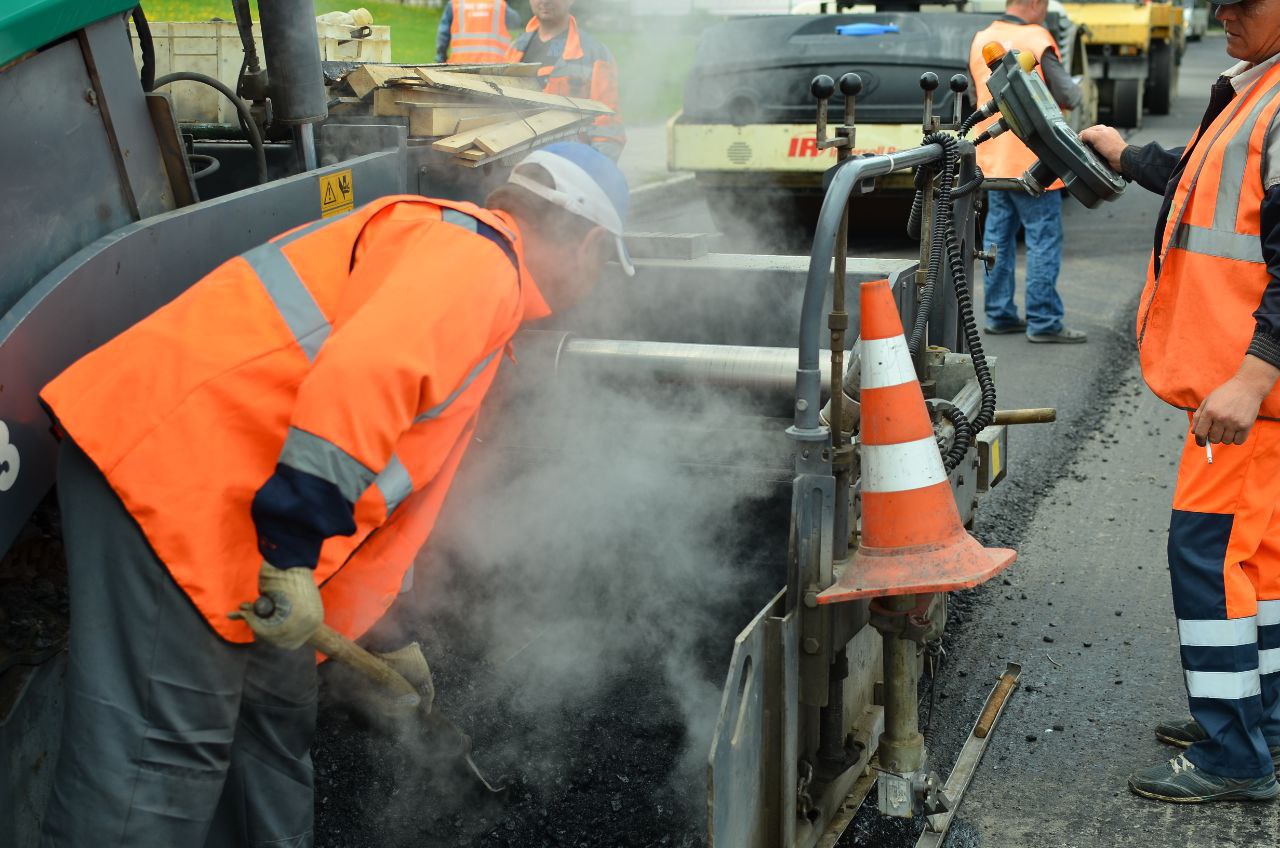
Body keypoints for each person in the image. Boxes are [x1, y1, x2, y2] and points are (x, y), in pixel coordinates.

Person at [36, 142, 633, 847]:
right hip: (177, 479)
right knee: (160, 759)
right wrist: (290, 550)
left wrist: (386, 631)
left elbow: (378, 489)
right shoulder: (479, 264)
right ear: (590, 241)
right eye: (604, 265)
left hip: (240, 500)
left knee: (272, 730)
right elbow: (362, 379)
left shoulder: (460, 265)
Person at [1080, 0, 1280, 804]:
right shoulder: (1257, 87)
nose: (1225, 14)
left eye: (1245, 2)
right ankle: (1259, 718)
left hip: (1245, 395)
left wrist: (1254, 371)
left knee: (1205, 559)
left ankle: (1234, 755)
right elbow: (1203, 186)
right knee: (1259, 569)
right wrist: (1126, 154)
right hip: (1257, 403)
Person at [968, 0, 1087, 343]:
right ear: (1034, 3)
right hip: (1036, 162)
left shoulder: (982, 37)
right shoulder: (1037, 38)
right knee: (1042, 239)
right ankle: (1044, 320)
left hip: (992, 160)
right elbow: (1070, 94)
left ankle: (1000, 313)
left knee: (997, 240)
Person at [504, 0, 625, 160]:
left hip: (572, 164)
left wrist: (596, 171)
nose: (544, 1)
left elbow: (607, 127)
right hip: (521, 166)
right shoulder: (515, 50)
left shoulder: (594, 53)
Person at [436, 0, 521, 65]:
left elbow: (443, 35)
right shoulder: (499, 4)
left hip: (460, 64)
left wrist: (441, 58)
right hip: (495, 66)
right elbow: (516, 22)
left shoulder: (455, 3)